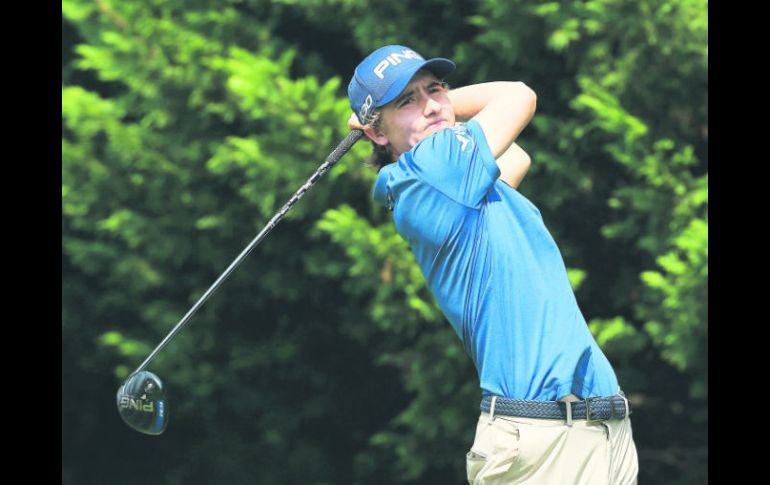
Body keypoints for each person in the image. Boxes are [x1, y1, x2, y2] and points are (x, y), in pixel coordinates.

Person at [346, 45, 639, 484]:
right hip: (545, 435)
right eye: (406, 100)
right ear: (377, 135)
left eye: (435, 88)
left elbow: (516, 157)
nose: (429, 105)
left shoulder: (457, 181)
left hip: (594, 426)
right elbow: (519, 96)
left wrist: (417, 112)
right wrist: (439, 110)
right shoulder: (433, 170)